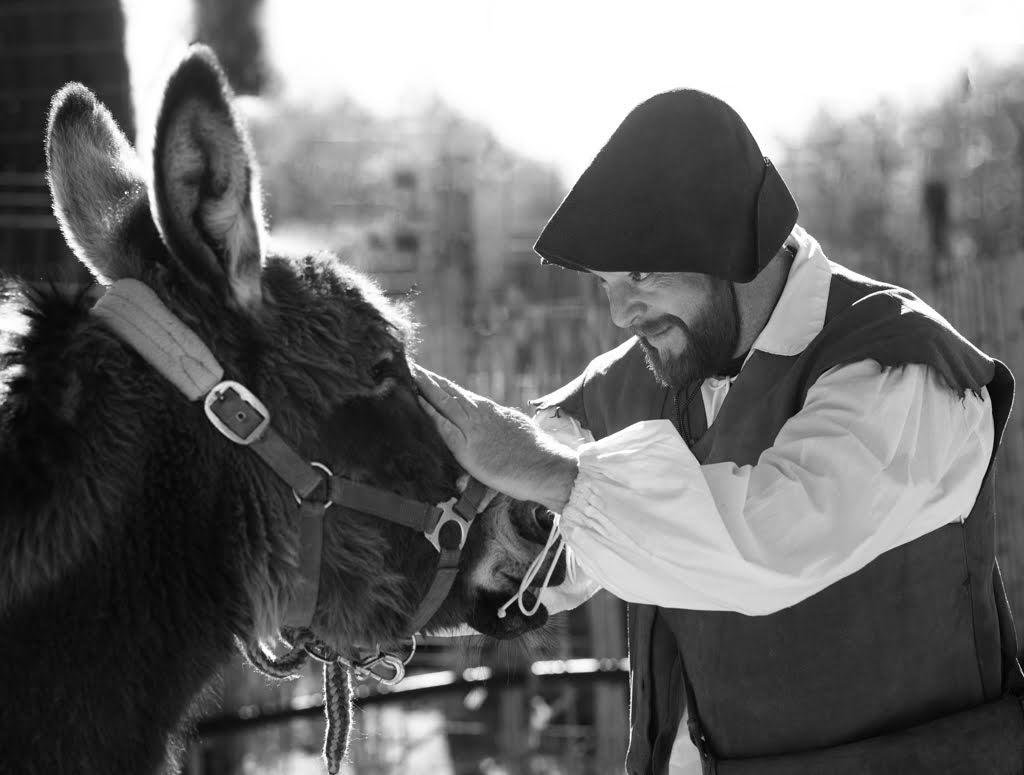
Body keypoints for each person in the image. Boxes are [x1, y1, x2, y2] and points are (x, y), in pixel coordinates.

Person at [413, 89, 1022, 775]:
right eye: (608, 282)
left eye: (641, 273)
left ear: (736, 247)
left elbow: (771, 544)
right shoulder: (644, 378)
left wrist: (547, 471)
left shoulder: (903, 371)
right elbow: (512, 521)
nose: (620, 312)